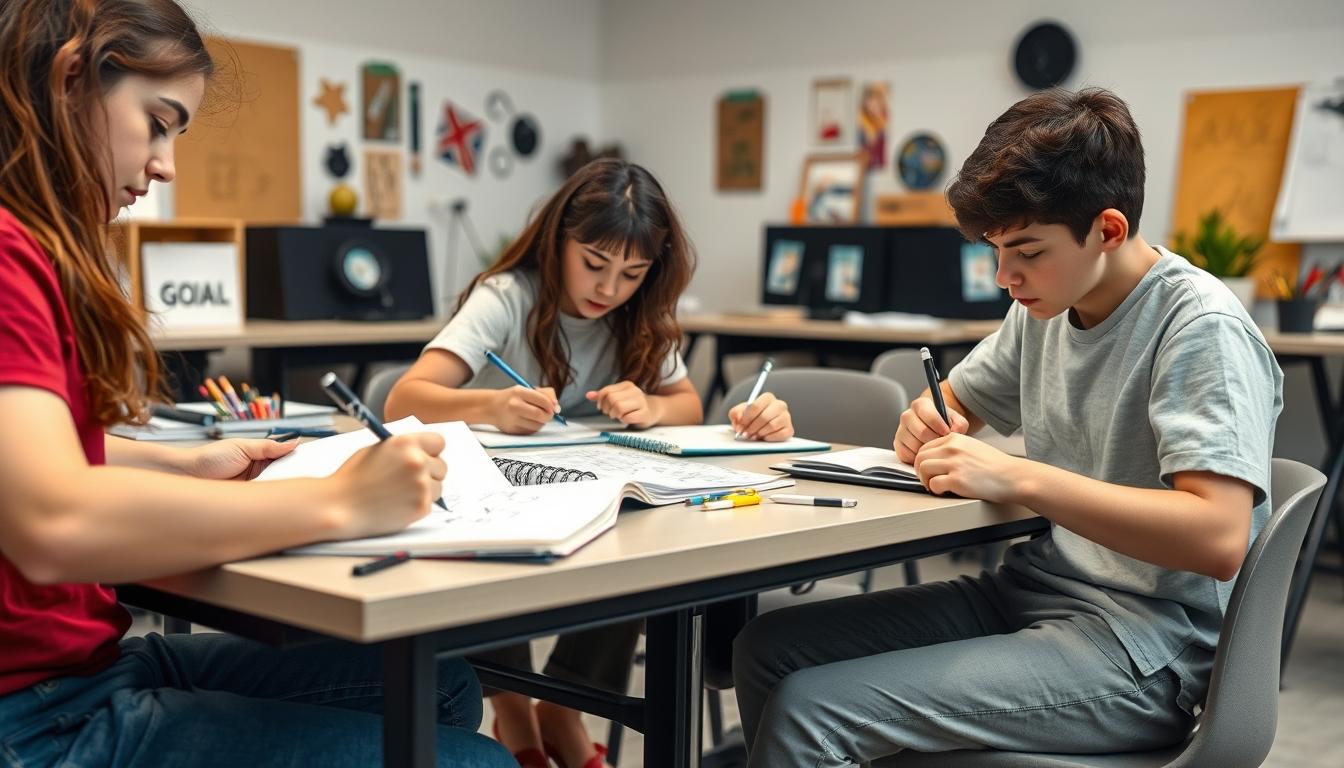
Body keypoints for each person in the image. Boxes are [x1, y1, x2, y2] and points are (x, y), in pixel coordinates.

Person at [0, 2, 512, 766]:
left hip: (80, 667)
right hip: (37, 716)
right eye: (159, 121)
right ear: (72, 77)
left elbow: (36, 456)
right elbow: (49, 525)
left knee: (442, 687)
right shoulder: (10, 257)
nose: (167, 164)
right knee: (480, 762)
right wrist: (338, 501)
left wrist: (180, 461)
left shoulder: (32, 248)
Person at [731, 87, 1283, 766]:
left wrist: (1020, 474)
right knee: (769, 650)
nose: (1004, 277)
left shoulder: (1201, 328)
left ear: (1107, 230)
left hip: (1143, 649)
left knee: (813, 709)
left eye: (1025, 251)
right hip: (1033, 591)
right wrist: (931, 418)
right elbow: (957, 401)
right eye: (995, 251)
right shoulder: (1046, 304)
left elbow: (1219, 535)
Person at [385, 158, 794, 767]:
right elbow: (404, 398)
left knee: (637, 530)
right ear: (558, 242)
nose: (609, 289)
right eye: (594, 265)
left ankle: (563, 707)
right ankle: (516, 709)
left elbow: (684, 404)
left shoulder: (641, 313)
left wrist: (650, 407)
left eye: (632, 273)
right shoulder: (508, 296)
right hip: (504, 490)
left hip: (595, 487)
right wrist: (491, 405)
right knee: (498, 544)